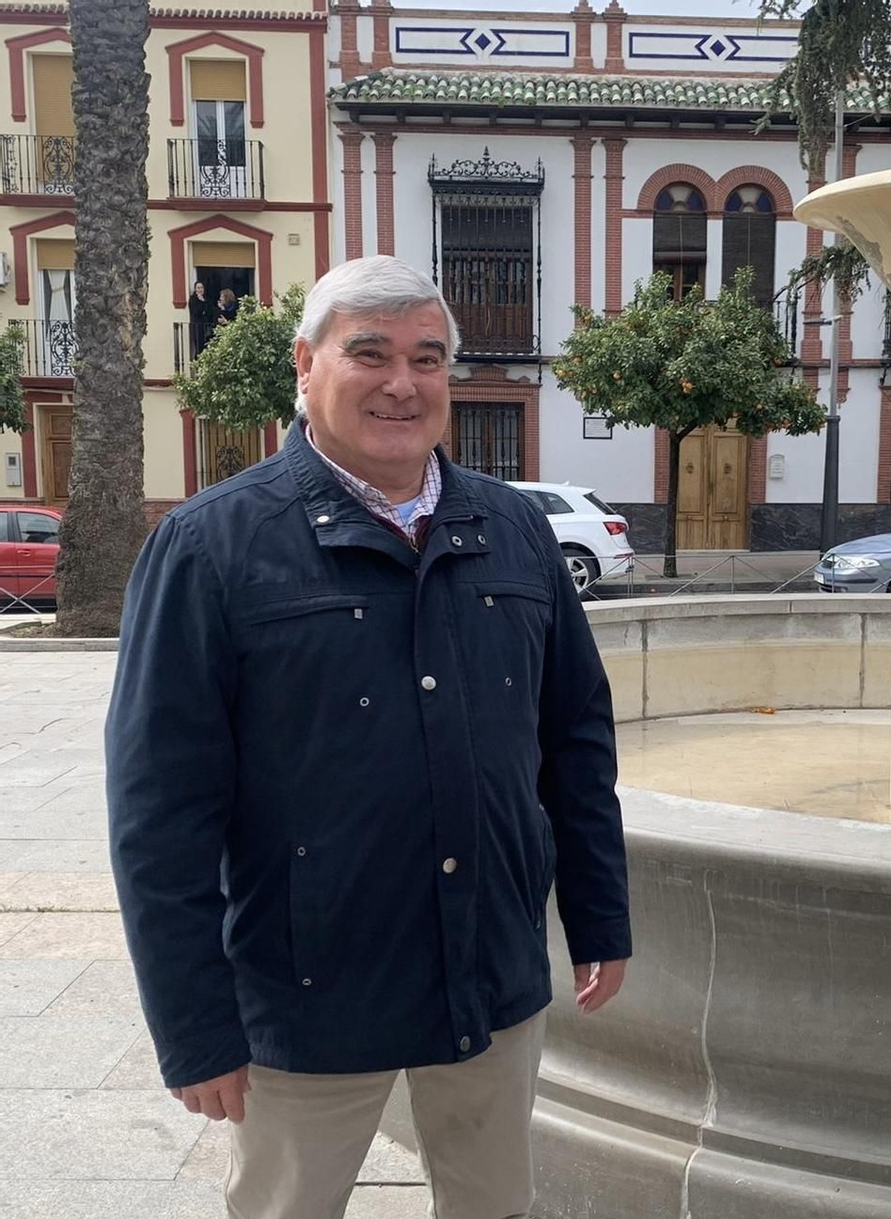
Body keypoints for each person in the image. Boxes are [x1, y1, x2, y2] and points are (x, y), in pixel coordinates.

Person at [107, 255, 632, 1219]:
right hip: (303, 997)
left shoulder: (515, 533)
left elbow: (576, 743)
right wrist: (193, 1025)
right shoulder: (211, 547)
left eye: (427, 358)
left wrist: (598, 914)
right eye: (370, 354)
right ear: (304, 367)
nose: (403, 382)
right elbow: (159, 807)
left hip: (489, 977)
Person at [188, 279, 216, 356]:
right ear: (195, 289)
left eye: (201, 288)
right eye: (198, 288)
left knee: (207, 346)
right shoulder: (192, 299)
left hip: (206, 326)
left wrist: (204, 301)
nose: (200, 290)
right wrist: (201, 302)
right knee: (199, 348)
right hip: (198, 326)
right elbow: (197, 312)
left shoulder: (207, 299)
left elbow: (210, 312)